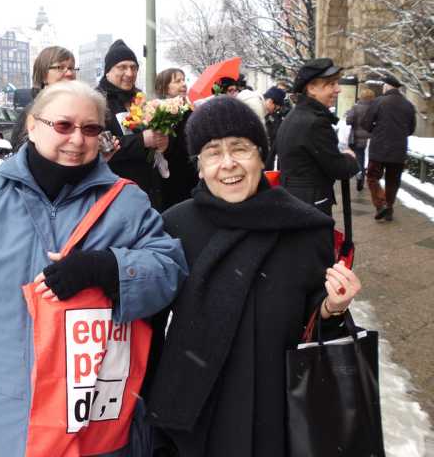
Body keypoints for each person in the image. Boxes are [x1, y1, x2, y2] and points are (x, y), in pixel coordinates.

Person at [0, 80, 188, 456]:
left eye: (91, 129)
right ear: (32, 125)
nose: (77, 139)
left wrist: (107, 268)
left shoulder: (127, 202)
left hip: (92, 412)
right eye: (64, 125)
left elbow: (169, 269)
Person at [145, 96, 362, 457]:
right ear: (199, 167)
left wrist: (332, 308)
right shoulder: (174, 226)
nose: (227, 164)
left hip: (278, 406)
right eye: (212, 152)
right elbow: (148, 318)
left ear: (262, 156)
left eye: (240, 149)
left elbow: (317, 322)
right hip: (198, 410)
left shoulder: (306, 227)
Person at [273, 58, 359, 216]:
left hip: (296, 201)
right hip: (311, 206)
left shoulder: (296, 114)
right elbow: (338, 169)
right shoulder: (315, 122)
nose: (338, 89)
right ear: (311, 88)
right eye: (331, 84)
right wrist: (350, 159)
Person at [97, 39, 168, 210]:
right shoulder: (97, 100)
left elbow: (154, 134)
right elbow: (100, 147)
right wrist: (141, 140)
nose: (129, 73)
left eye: (134, 67)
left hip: (150, 189)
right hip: (116, 192)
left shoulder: (141, 98)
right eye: (122, 67)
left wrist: (162, 141)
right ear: (108, 71)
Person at [361, 74, 416, 222]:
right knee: (393, 181)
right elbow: (411, 129)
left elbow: (366, 124)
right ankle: (389, 209)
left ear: (386, 86)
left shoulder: (378, 102)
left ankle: (381, 204)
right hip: (398, 150)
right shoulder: (408, 105)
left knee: (372, 177)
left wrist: (377, 130)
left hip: (379, 148)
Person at [11, 46, 78, 150]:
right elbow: (21, 153)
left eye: (71, 68)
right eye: (60, 67)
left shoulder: (79, 107)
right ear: (43, 75)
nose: (69, 73)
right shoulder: (33, 112)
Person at [154, 68, 198, 208]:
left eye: (184, 80)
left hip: (192, 173)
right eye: (177, 81)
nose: (183, 84)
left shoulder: (190, 110)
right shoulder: (159, 112)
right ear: (164, 87)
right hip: (172, 176)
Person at [345, 88, 375, 191]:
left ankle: (360, 177)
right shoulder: (375, 108)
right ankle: (371, 179)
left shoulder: (356, 108)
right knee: (371, 160)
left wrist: (349, 113)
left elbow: (348, 121)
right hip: (372, 138)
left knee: (360, 159)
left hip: (358, 139)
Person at [263, 86, 286, 152]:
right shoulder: (257, 109)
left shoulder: (265, 112)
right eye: (275, 108)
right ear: (271, 102)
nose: (274, 111)